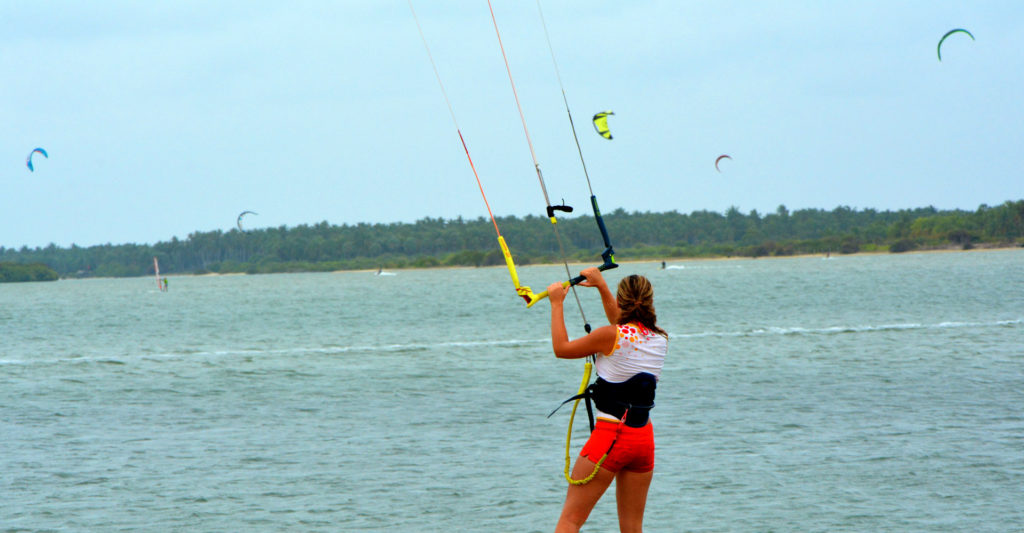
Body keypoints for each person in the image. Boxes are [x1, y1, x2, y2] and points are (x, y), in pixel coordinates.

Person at [547, 267, 668, 533]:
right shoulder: (659, 339)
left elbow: (561, 349)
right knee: (632, 528)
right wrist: (601, 286)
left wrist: (557, 303)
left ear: (621, 299)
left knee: (570, 521)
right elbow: (624, 329)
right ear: (649, 301)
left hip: (610, 439)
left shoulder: (609, 336)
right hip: (643, 440)